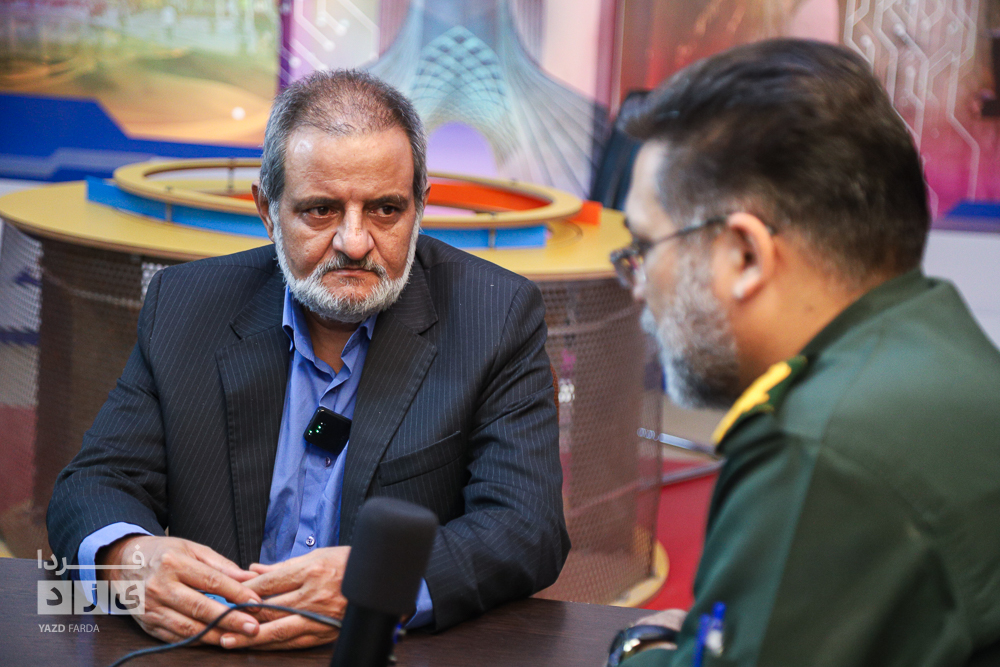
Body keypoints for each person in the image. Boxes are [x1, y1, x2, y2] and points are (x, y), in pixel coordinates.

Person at [46, 69, 569, 650]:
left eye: (386, 210)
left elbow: (528, 528)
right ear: (268, 211)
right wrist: (127, 559)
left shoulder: (495, 316)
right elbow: (96, 482)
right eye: (321, 210)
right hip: (215, 649)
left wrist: (380, 584)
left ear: (421, 206)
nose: (354, 241)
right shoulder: (186, 307)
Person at [607, 39, 1000, 666]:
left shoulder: (818, 448)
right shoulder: (936, 338)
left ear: (745, 256)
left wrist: (642, 648)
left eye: (645, 247)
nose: (636, 285)